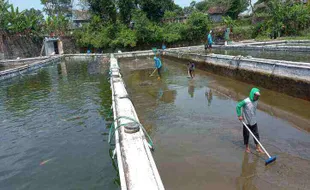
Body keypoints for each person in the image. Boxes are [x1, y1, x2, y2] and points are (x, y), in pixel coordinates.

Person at [236, 88, 264, 153]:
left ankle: (258, 148)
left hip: (253, 121)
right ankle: (247, 147)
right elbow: (238, 106)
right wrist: (239, 115)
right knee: (246, 135)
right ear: (252, 94)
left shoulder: (256, 101)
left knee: (256, 134)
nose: (257, 97)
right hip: (246, 121)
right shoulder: (246, 101)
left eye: (258, 96)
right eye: (256, 96)